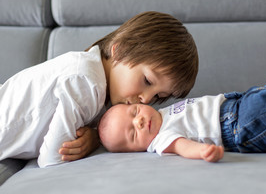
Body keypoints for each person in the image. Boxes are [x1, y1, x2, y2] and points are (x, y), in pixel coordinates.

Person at [0, 11, 199, 167]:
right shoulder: (86, 82)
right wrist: (91, 144)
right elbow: (52, 158)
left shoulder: (103, 87)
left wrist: (95, 136)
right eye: (147, 81)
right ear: (119, 51)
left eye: (158, 96)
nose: (146, 100)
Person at [98, 37, 266, 162]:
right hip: (236, 130)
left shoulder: (164, 113)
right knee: (265, 108)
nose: (139, 122)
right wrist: (202, 152)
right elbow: (183, 147)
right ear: (135, 150)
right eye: (132, 134)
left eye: (134, 113)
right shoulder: (161, 140)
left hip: (233, 105)